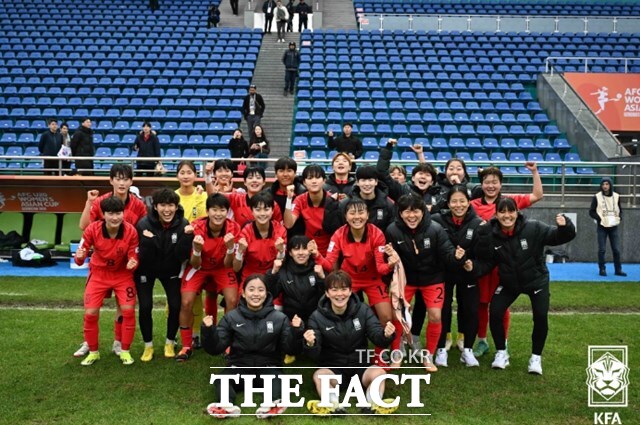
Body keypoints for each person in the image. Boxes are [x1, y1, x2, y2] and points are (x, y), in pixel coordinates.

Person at [471, 198, 576, 375]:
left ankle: (536, 357)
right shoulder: (491, 233)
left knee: (541, 316)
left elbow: (559, 236)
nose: (507, 216)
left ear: (517, 212)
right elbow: (487, 260)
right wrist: (472, 265)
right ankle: (501, 353)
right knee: (495, 312)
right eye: (502, 212)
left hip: (536, 280)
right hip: (509, 282)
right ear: (496, 214)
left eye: (510, 211)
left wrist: (566, 226)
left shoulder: (533, 227)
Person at [316, 198, 404, 368]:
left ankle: (383, 356)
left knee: (387, 316)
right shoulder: (339, 234)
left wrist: (391, 264)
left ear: (368, 214)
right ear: (346, 216)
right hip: (348, 280)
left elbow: (381, 269)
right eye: (352, 213)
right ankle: (340, 351)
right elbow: (328, 264)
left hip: (373, 279)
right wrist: (316, 255)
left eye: (361, 212)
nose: (357, 217)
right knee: (342, 314)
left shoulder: (377, 233)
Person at [72, 163, 148, 359]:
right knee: (91, 310)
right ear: (111, 180)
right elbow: (85, 227)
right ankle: (89, 343)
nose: (122, 183)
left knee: (123, 306)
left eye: (125, 179)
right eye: (118, 178)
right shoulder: (101, 202)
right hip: (102, 265)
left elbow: (144, 230)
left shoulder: (138, 205)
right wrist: (89, 202)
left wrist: (135, 257)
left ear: (131, 181)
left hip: (126, 265)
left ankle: (118, 342)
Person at [203, 274, 302, 419]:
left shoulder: (279, 318)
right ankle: (225, 406)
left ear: (267, 293)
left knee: (278, 379)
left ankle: (271, 405)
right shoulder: (231, 317)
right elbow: (215, 348)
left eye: (260, 290)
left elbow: (290, 349)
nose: (256, 294)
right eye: (251, 289)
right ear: (243, 293)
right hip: (239, 366)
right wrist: (208, 330)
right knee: (222, 379)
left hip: (269, 367)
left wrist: (296, 331)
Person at [469, 163, 543, 357]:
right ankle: (482, 340)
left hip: (505, 264)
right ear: (482, 184)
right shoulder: (473, 205)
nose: (490, 186)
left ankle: (504, 344)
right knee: (482, 304)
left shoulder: (510, 203)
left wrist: (534, 172)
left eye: (494, 182)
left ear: (501, 184)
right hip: (484, 264)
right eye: (487, 182)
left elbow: (537, 195)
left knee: (501, 305)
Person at [384, 194, 463, 372]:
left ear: (423, 212)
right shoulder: (392, 230)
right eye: (407, 212)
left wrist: (458, 257)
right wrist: (389, 258)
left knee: (435, 315)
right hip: (406, 280)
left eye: (416, 212)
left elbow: (448, 252)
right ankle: (396, 354)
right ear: (400, 213)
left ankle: (429, 356)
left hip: (432, 278)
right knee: (398, 316)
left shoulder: (435, 229)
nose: (411, 216)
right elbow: (388, 258)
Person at [303, 270, 398, 415]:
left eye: (344, 289)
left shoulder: (363, 310)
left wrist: (385, 335)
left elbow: (377, 336)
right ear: (327, 293)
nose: (339, 294)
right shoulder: (316, 317)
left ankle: (373, 405)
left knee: (379, 373)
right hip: (333, 369)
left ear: (350, 291)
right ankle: (332, 406)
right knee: (319, 376)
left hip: (360, 368)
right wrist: (310, 344)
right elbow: (314, 354)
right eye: (334, 290)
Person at [175, 194, 241, 362]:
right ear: (207, 211)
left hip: (221, 267)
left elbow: (228, 264)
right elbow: (195, 264)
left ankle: (227, 343)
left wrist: (230, 249)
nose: (218, 214)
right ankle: (186, 345)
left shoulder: (234, 228)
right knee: (186, 302)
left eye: (222, 210)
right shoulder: (197, 227)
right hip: (199, 267)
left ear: (227, 212)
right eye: (214, 209)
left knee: (232, 300)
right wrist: (197, 250)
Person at [75, 196, 139, 366]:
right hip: (99, 274)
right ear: (103, 214)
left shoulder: (131, 231)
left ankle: (124, 350)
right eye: (110, 213)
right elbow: (79, 257)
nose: (115, 217)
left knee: (128, 310)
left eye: (118, 213)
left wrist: (133, 262)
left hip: (121, 274)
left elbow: (134, 256)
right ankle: (94, 352)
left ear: (123, 213)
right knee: (90, 313)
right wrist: (79, 257)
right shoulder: (92, 229)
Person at [135, 188, 193, 361]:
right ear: (155, 206)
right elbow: (144, 256)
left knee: (175, 306)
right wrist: (149, 242)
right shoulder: (143, 224)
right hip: (146, 270)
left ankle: (169, 342)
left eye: (171, 205)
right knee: (145, 307)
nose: (167, 210)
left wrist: (186, 238)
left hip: (171, 271)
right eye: (163, 205)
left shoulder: (184, 224)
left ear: (176, 207)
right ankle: (148, 346)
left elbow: (181, 255)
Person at [431, 186, 485, 368]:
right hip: (443, 272)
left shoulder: (478, 223)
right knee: (443, 309)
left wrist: (472, 265)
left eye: (462, 201)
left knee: (470, 310)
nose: (458, 205)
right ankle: (440, 349)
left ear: (469, 202)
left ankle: (467, 349)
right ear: (448, 203)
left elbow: (483, 253)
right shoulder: (437, 220)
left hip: (467, 273)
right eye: (454, 201)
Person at [265, 235, 325, 363]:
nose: (301, 253)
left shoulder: (317, 269)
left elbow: (325, 297)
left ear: (310, 251)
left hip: (314, 317)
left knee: (317, 350)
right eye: (296, 249)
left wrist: (321, 278)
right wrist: (273, 272)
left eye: (304, 249)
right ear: (290, 253)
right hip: (292, 318)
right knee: (290, 345)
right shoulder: (283, 271)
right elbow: (272, 294)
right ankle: (290, 350)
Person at [175, 160, 208, 348]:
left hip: (197, 252)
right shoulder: (172, 196)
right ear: (177, 175)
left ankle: (195, 334)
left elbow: (204, 220)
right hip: (176, 254)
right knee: (176, 297)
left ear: (195, 175)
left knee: (195, 295)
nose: (186, 175)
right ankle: (176, 333)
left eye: (190, 172)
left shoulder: (201, 196)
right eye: (182, 172)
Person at [323, 165, 396, 236]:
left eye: (370, 180)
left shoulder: (388, 204)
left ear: (376, 182)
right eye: (363, 180)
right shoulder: (345, 204)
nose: (367, 184)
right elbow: (339, 230)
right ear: (357, 182)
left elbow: (390, 232)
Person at [233, 191, 287, 285]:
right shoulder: (245, 232)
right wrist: (239, 252)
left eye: (266, 209)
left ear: (272, 211)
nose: (262, 213)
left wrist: (281, 252)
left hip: (273, 273)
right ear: (252, 211)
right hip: (250, 275)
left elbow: (281, 263)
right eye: (258, 209)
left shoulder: (280, 230)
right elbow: (236, 268)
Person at [211, 166, 283, 228]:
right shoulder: (236, 198)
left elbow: (278, 227)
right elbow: (213, 197)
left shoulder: (272, 204)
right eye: (250, 178)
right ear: (245, 182)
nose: (254, 180)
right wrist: (208, 177)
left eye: (258, 178)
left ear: (264, 181)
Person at [284, 165, 331, 255]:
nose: (314, 181)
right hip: (308, 250)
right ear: (304, 182)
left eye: (317, 177)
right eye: (310, 178)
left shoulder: (332, 200)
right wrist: (289, 199)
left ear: (324, 180)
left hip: (329, 250)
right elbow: (288, 224)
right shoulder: (300, 200)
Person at [589, 177, 626, 277]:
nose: (605, 186)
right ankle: (602, 269)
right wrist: (599, 219)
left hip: (613, 226)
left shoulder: (617, 196)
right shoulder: (597, 197)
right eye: (603, 184)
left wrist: (620, 217)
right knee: (602, 249)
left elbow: (620, 210)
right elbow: (591, 211)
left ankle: (618, 269)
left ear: (610, 185)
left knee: (616, 250)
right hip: (602, 226)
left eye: (607, 184)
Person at [269, 157, 307, 239]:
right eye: (281, 171)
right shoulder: (268, 194)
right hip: (274, 238)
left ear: (295, 173)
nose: (285, 174)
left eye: (289, 170)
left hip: (298, 240)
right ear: (276, 174)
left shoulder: (303, 193)